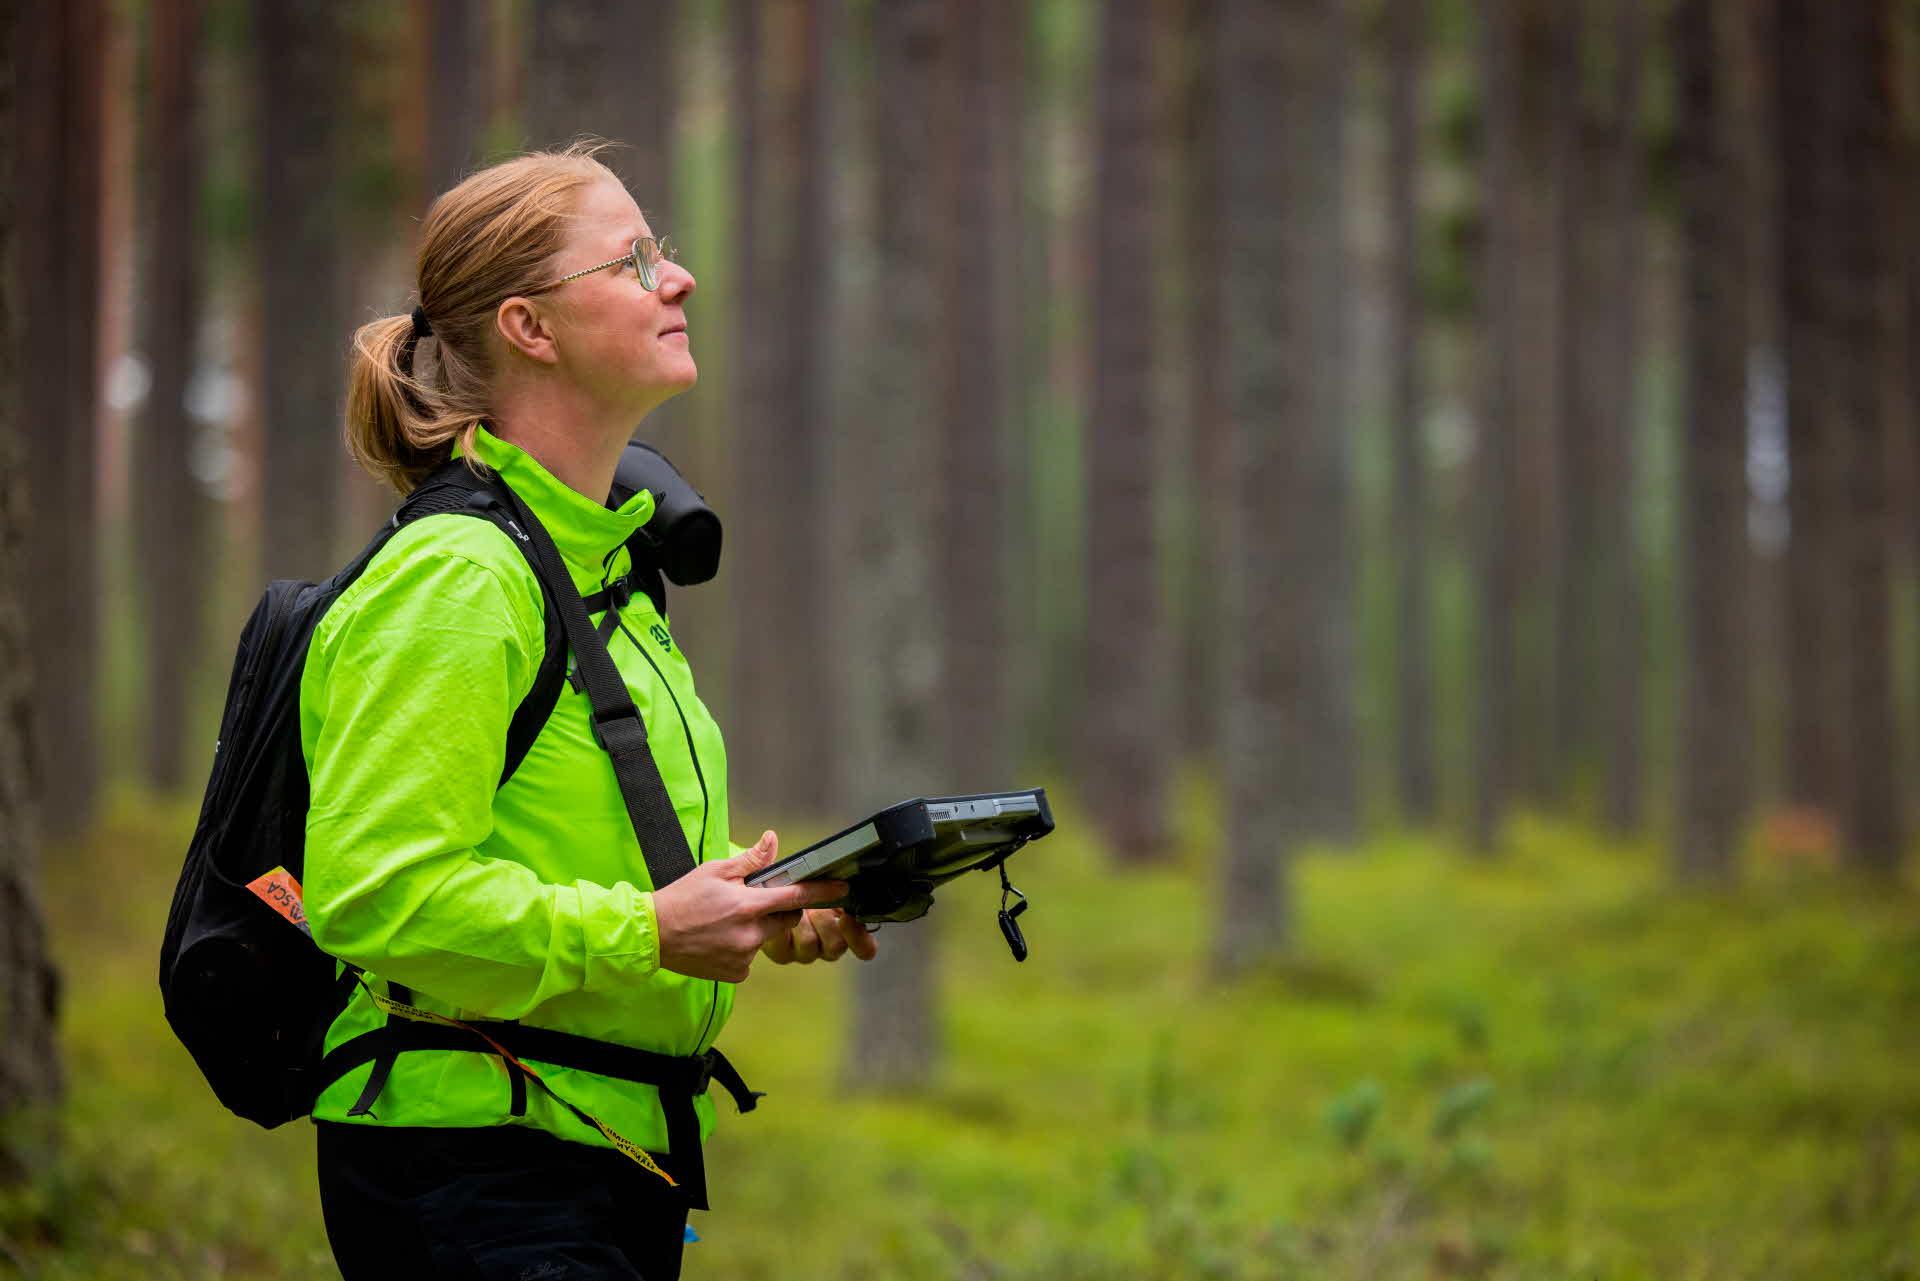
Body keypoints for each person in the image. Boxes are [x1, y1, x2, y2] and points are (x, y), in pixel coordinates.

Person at [305, 142, 875, 1280]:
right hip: (479, 1168)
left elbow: (568, 844)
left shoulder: (601, 569)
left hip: (595, 1156)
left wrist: (746, 903)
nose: (679, 280)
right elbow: (378, 896)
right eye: (634, 260)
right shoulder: (463, 578)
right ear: (530, 327)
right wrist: (655, 931)